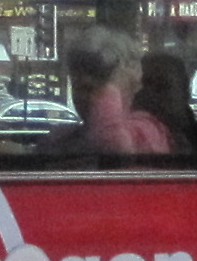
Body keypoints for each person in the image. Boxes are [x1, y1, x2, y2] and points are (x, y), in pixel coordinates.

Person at [57, 25, 172, 160]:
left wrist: (114, 82)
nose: (89, 98)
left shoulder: (147, 131)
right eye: (79, 88)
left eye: (98, 90)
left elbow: (112, 145)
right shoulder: (60, 139)